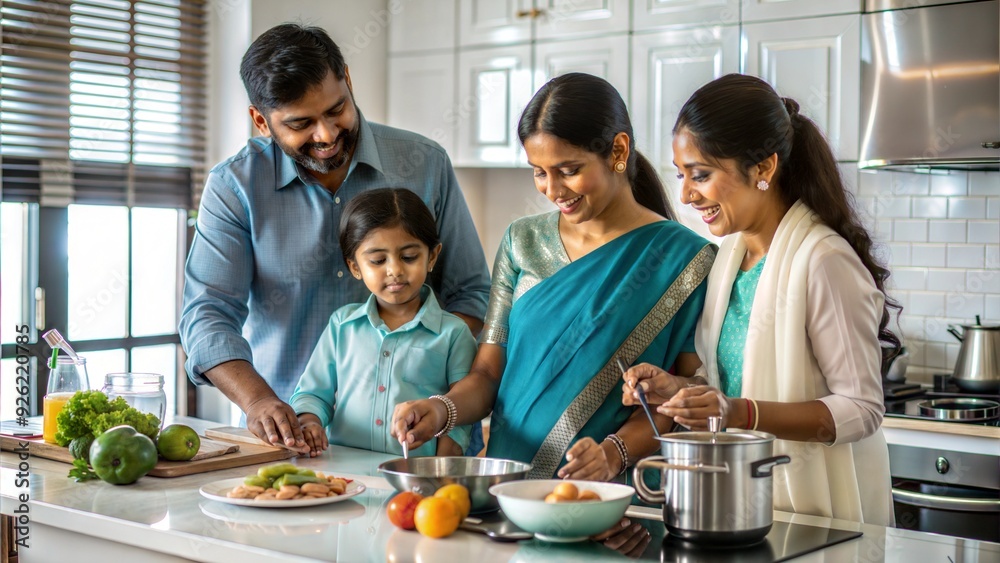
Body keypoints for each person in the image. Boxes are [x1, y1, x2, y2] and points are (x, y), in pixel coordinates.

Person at [392, 73, 716, 557]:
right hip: (508, 501)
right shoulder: (522, 241)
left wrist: (613, 455)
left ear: (618, 151)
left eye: (568, 169)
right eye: (538, 171)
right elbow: (487, 374)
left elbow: (684, 402)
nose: (552, 189)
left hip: (612, 510)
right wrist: (441, 410)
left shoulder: (684, 261)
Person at [178, 24, 491, 451]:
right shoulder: (235, 186)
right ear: (261, 121)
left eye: (336, 109)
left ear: (348, 78)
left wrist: (430, 371)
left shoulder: (425, 164)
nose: (326, 135)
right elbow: (208, 316)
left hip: (422, 446)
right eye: (301, 124)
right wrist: (259, 402)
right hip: (292, 445)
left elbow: (471, 294)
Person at [622, 73, 899, 526]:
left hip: (814, 513)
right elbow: (730, 387)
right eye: (682, 176)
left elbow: (861, 410)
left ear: (763, 169)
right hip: (738, 502)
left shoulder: (823, 260)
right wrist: (680, 391)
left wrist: (738, 413)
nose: (687, 195)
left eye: (701, 175)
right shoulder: (730, 258)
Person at [288, 188, 476, 458]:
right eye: (377, 260)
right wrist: (309, 421)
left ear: (432, 257)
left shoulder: (453, 333)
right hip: (341, 473)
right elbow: (313, 393)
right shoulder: (342, 325)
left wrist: (441, 469)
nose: (395, 270)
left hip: (412, 477)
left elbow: (461, 414)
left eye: (409, 257)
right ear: (354, 266)